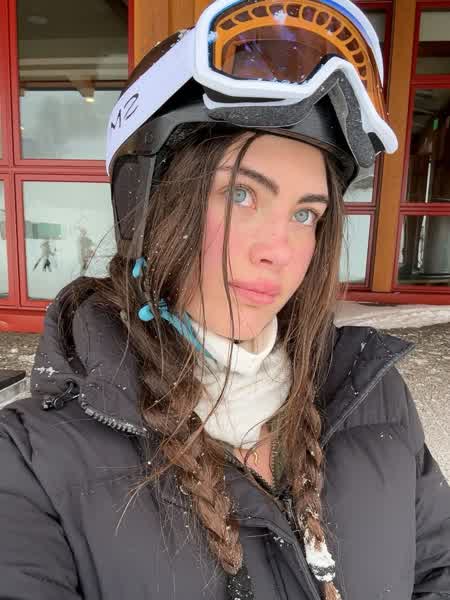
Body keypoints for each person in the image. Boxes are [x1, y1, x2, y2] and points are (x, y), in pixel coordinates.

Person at [1, 1, 449, 599]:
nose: (279, 251)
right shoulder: (29, 464)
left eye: (306, 214)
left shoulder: (373, 399)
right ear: (147, 206)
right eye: (241, 195)